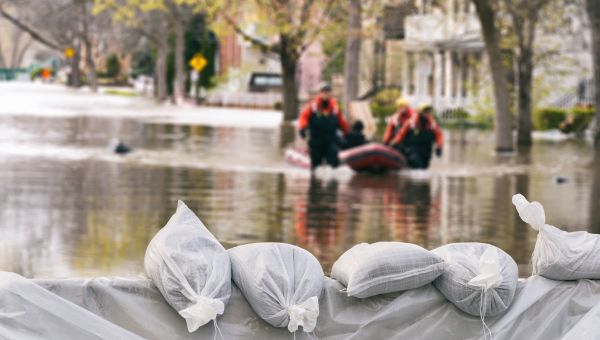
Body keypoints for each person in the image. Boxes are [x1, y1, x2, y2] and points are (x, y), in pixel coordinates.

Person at [298, 84, 349, 169]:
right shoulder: (313, 106)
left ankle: (333, 180)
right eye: (324, 92)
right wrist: (303, 128)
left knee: (333, 163)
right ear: (320, 93)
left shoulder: (335, 107)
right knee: (316, 166)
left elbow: (341, 121)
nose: (326, 94)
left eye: (328, 92)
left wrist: (347, 133)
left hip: (331, 140)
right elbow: (304, 117)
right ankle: (315, 180)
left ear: (330, 93)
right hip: (316, 140)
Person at [391, 104, 443, 169]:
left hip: (426, 151)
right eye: (425, 111)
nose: (427, 113)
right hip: (412, 150)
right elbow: (401, 134)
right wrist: (395, 143)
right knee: (417, 165)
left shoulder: (432, 123)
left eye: (428, 111)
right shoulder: (411, 122)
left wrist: (439, 147)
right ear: (420, 112)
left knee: (424, 167)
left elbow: (439, 135)